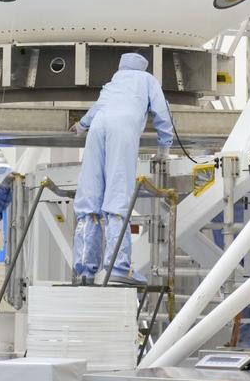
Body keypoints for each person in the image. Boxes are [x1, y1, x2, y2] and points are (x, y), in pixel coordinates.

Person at [71, 52, 174, 284]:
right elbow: (162, 112)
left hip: (98, 126)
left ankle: (85, 270)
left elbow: (98, 106)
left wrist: (81, 125)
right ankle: (118, 267)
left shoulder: (115, 81)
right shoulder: (147, 80)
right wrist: (164, 146)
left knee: (90, 195)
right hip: (122, 128)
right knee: (118, 194)